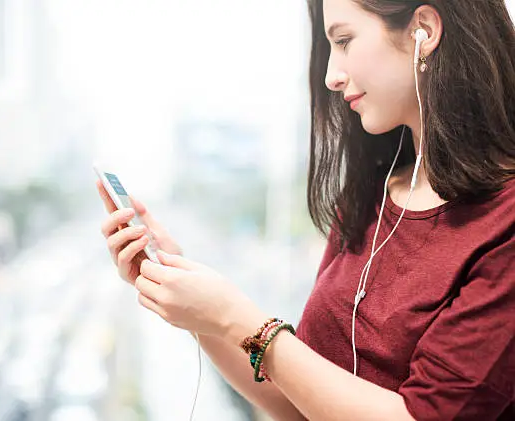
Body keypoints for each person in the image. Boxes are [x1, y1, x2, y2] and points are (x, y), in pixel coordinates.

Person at [97, 0, 515, 420]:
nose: (332, 76)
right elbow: (298, 403)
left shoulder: (504, 224)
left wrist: (233, 318)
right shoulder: (371, 196)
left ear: (422, 28)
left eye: (345, 40)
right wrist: (195, 305)